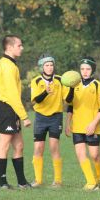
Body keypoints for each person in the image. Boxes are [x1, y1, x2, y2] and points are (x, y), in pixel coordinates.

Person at [0, 35, 31, 189]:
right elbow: (11, 94)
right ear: (9, 47)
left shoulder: (11, 64)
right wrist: (25, 116)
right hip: (7, 107)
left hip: (11, 108)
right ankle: (2, 183)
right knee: (4, 144)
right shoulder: (7, 66)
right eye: (19, 45)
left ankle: (21, 182)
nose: (22, 48)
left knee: (19, 145)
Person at [65, 57, 100, 190]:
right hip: (77, 126)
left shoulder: (97, 85)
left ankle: (99, 177)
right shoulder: (74, 84)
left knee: (95, 155)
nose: (85, 71)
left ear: (92, 70)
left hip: (92, 126)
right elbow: (69, 105)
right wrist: (68, 124)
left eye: (88, 69)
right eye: (82, 69)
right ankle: (90, 182)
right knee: (80, 154)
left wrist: (94, 124)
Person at [30, 53, 66, 188]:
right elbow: (36, 100)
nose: (50, 68)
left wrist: (72, 87)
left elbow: (67, 99)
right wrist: (46, 92)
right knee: (38, 148)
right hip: (40, 117)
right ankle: (38, 180)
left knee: (54, 147)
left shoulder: (61, 80)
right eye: (47, 65)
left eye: (51, 65)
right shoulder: (36, 81)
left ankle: (57, 181)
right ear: (42, 67)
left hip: (56, 117)